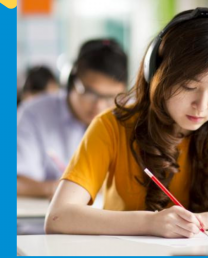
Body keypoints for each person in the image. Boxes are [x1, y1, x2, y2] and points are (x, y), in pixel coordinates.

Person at [45, 8, 208, 238]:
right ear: (156, 75)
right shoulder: (111, 127)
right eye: (188, 87)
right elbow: (58, 217)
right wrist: (151, 222)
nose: (202, 106)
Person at [17, 39, 128, 199]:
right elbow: (16, 182)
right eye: (90, 93)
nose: (99, 106)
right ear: (71, 81)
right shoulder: (34, 114)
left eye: (111, 97)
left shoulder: (129, 115)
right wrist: (65, 189)